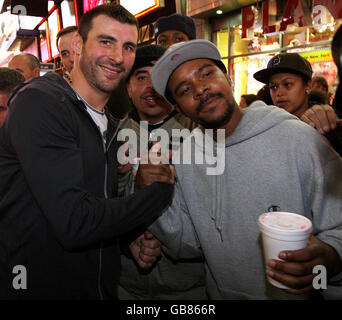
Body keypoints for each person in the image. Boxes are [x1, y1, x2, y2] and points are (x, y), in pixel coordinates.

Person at [0, 4, 174, 300]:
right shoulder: (42, 103)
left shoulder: (105, 119)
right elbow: (76, 222)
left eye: (128, 46)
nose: (118, 57)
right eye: (106, 41)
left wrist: (121, 240)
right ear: (79, 45)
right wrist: (159, 193)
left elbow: (93, 202)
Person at [145, 40, 342, 299]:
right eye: (184, 89)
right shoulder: (186, 157)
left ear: (228, 78)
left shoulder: (299, 138)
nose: (200, 88)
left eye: (206, 74)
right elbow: (187, 243)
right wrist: (150, 195)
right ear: (179, 109)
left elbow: (337, 224)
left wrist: (330, 255)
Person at [118, 44, 205, 300]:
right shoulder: (108, 135)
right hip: (126, 286)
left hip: (189, 289)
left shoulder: (203, 133)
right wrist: (128, 237)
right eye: (141, 77)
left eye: (158, 77)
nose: (150, 86)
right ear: (128, 87)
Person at [254, 53, 341, 156]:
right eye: (273, 87)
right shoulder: (266, 126)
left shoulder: (324, 120)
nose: (279, 93)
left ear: (308, 85)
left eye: (287, 84)